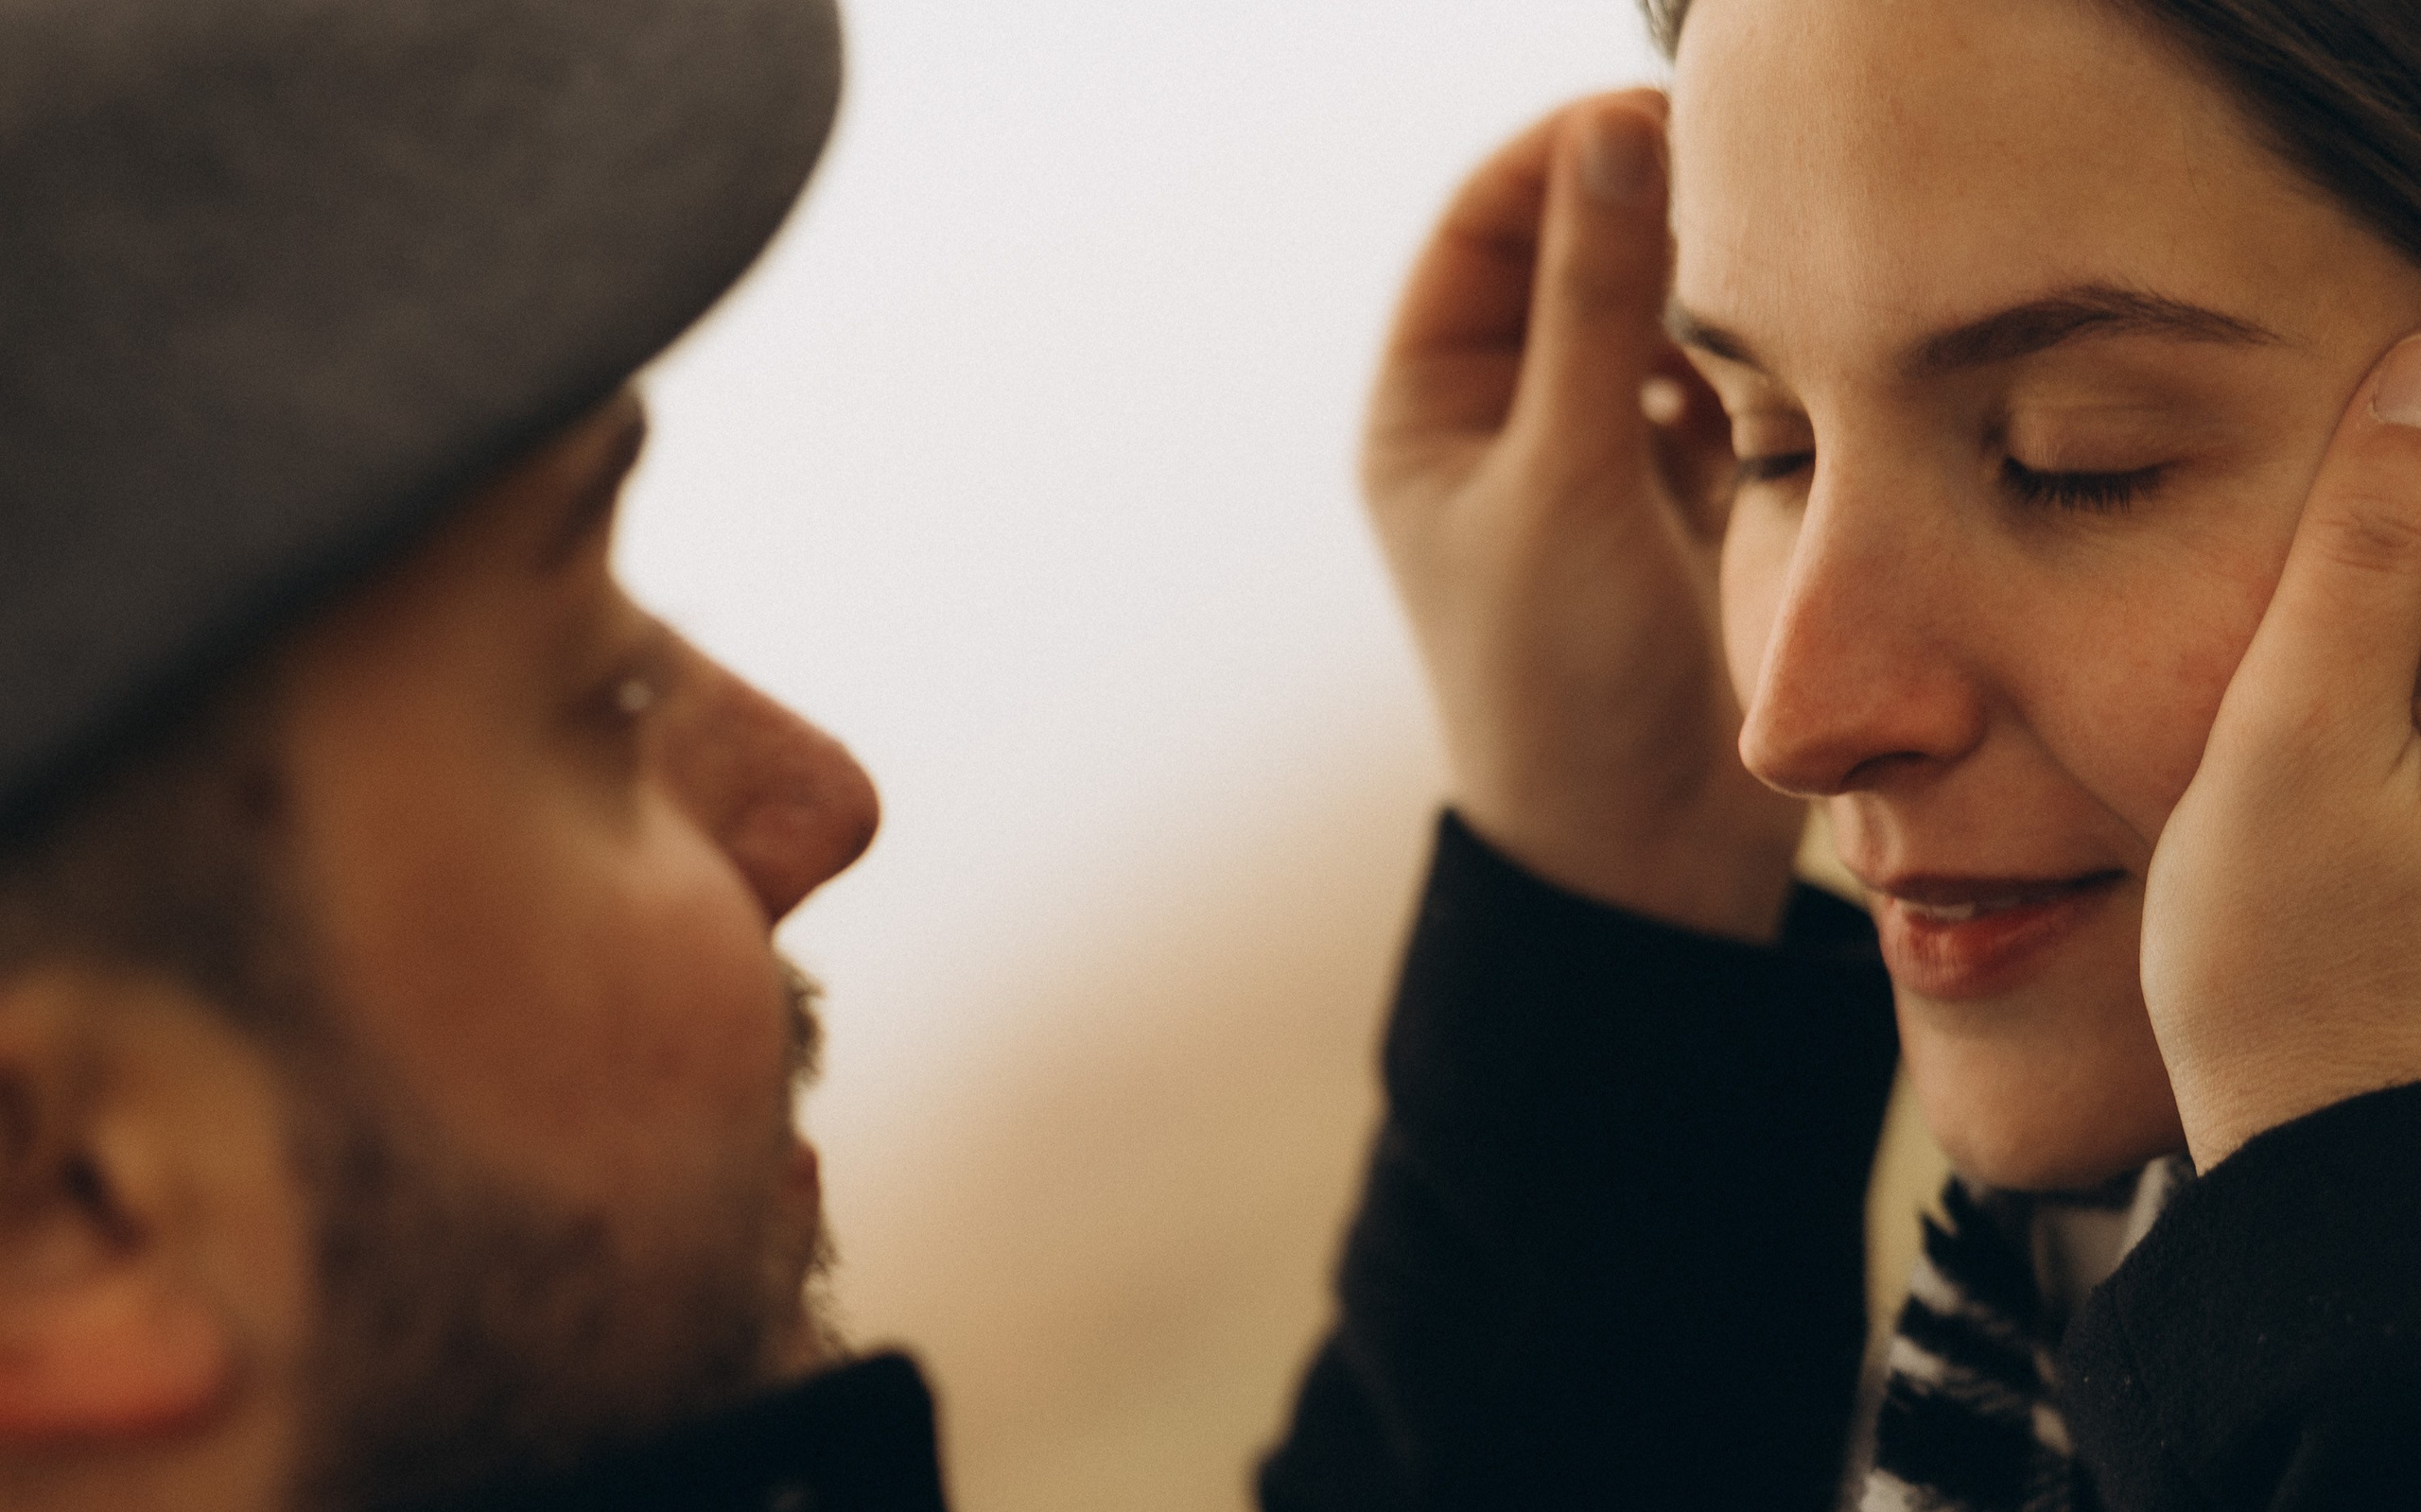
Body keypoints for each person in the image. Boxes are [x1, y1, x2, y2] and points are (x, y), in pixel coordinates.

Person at [1265, 0, 2421, 1506]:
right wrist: (1611, 929)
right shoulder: (2048, 1331)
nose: (1794, 725)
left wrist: (2349, 1234)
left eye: (2077, 459)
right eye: (1773, 447)